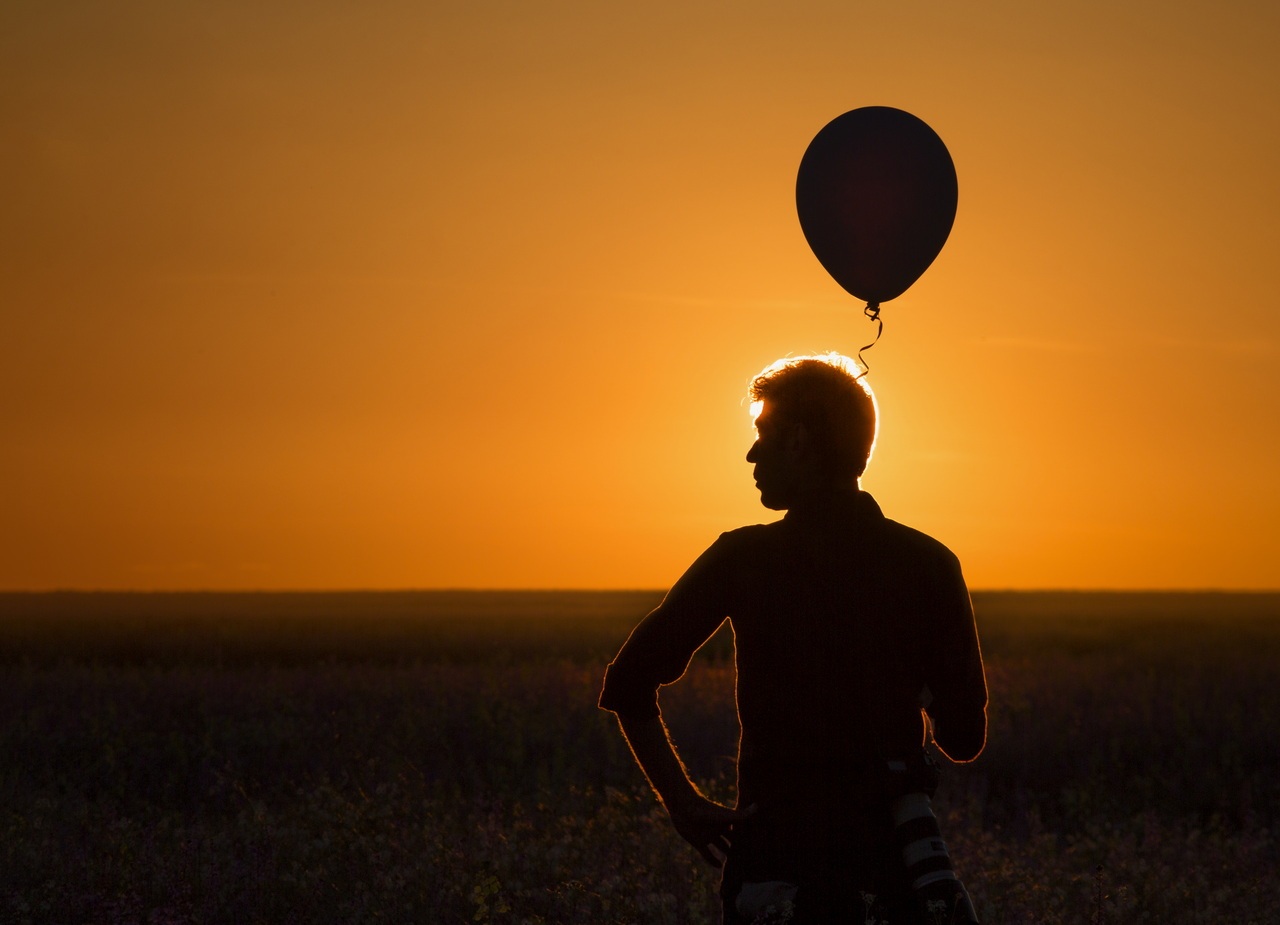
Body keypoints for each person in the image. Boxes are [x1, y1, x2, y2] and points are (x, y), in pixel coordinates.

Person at [599, 354, 987, 924]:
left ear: (800, 441)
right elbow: (964, 739)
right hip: (898, 870)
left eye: (763, 434)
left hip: (775, 867)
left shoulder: (744, 559)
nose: (751, 455)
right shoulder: (929, 564)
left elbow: (628, 682)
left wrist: (683, 806)